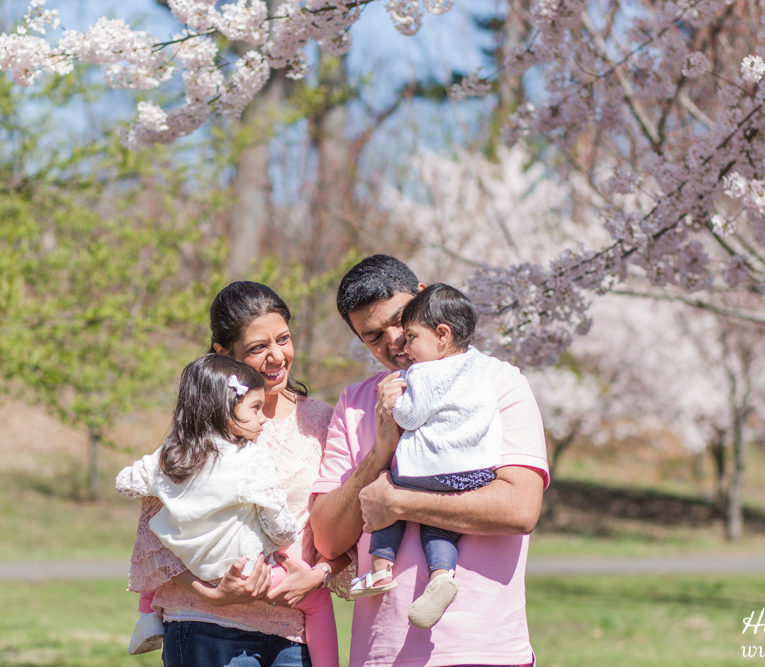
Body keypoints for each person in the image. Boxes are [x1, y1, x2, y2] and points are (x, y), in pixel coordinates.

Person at [310, 255, 549, 666]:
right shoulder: (354, 403)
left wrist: (399, 502)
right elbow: (328, 538)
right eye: (373, 336)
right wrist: (382, 448)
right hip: (381, 655)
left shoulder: (499, 383)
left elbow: (520, 509)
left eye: (400, 320)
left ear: (424, 297)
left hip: (485, 651)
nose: (394, 341)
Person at [125, 281, 348, 667]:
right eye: (258, 347)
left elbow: (348, 519)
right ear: (223, 354)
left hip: (295, 633)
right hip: (206, 625)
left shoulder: (322, 420)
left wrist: (320, 574)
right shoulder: (202, 428)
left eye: (283, 339)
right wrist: (214, 594)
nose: (277, 356)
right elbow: (157, 534)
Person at [349, 284, 504, 630]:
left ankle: (379, 568)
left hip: (427, 469)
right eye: (375, 337)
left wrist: (393, 404)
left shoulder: (422, 371)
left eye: (409, 334)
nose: (401, 345)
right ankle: (441, 575)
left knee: (390, 494)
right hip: (475, 472)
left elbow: (410, 417)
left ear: (442, 334)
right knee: (439, 523)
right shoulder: (481, 366)